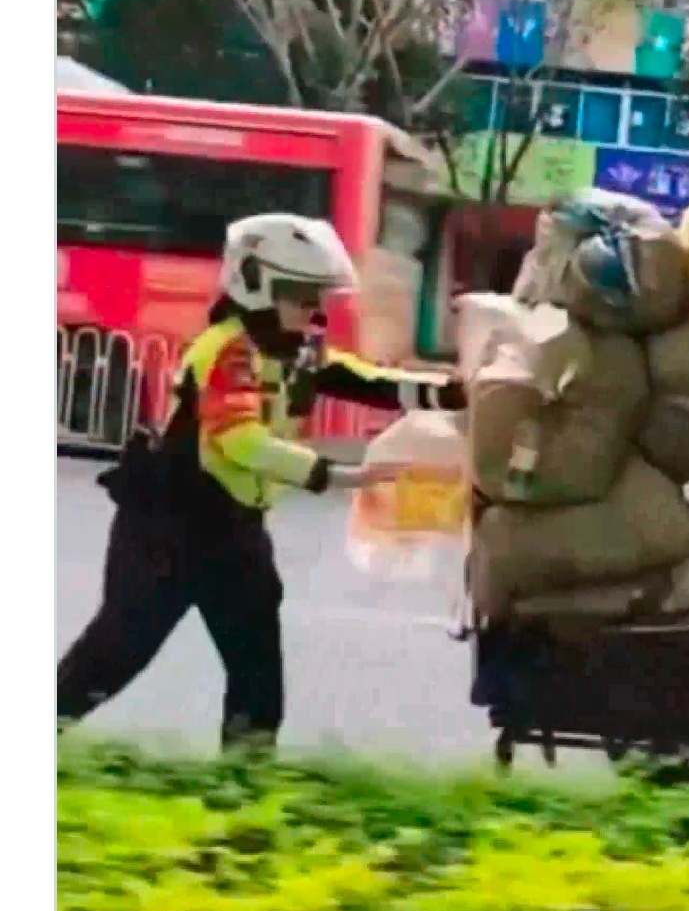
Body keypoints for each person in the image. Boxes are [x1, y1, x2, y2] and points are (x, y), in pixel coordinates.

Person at [58, 213, 465, 749]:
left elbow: (361, 380)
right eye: (300, 295)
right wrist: (339, 475)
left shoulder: (293, 347)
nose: (315, 311)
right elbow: (240, 440)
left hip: (235, 526)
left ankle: (244, 781)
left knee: (257, 672)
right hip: (167, 528)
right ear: (255, 284)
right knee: (116, 653)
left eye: (319, 296)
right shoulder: (227, 350)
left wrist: (444, 392)